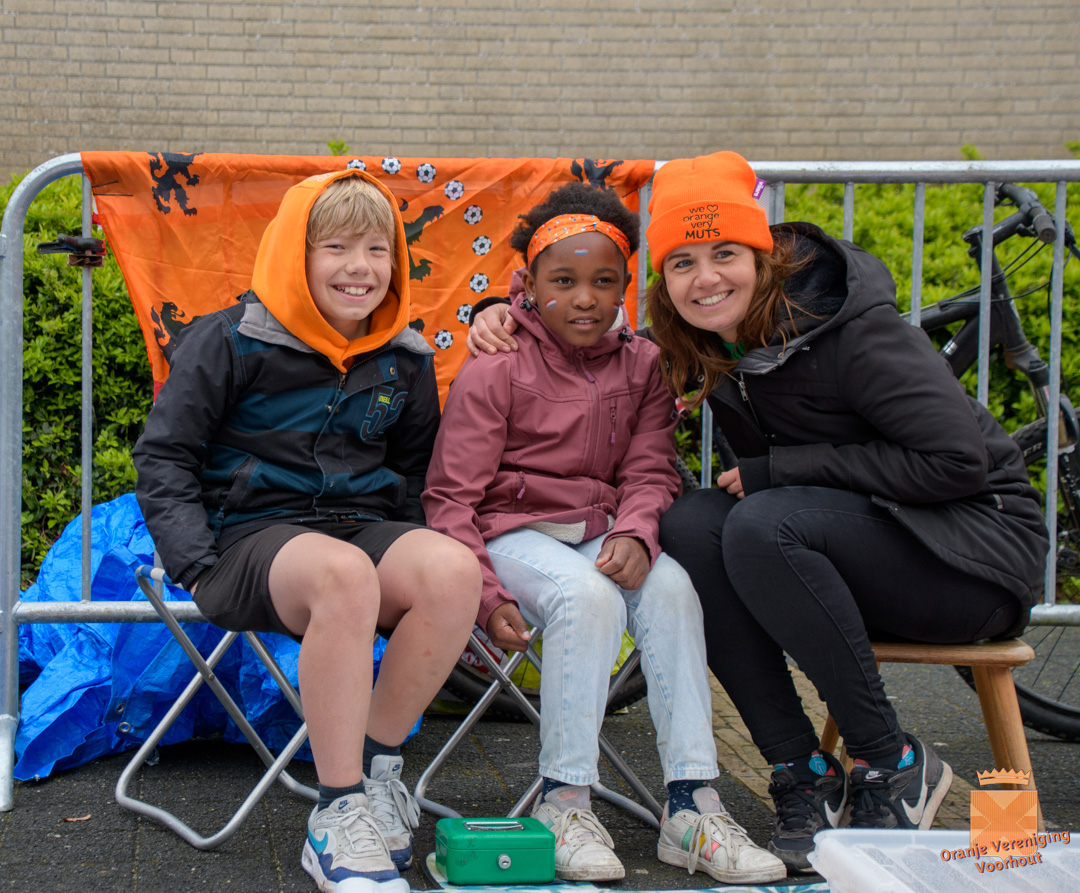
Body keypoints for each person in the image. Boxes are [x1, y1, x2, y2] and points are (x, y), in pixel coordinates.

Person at [467, 152, 1049, 875]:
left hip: (974, 560)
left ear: (762, 253)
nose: (705, 278)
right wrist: (503, 314)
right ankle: (801, 769)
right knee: (688, 526)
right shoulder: (710, 338)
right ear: (663, 281)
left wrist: (788, 470)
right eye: (682, 262)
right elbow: (575, 322)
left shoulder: (854, 332)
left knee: (760, 521)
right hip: (860, 546)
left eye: (724, 255)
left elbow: (957, 463)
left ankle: (891, 758)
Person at [424, 182, 786, 885]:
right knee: (585, 597)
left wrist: (640, 529)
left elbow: (652, 467)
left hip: (598, 530)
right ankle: (563, 800)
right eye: (564, 281)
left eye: (604, 282)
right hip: (508, 533)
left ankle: (691, 804)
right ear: (524, 284)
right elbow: (449, 498)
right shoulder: (495, 366)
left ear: (627, 286)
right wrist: (485, 589)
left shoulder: (643, 364)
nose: (586, 298)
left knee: (675, 586)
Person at [133, 169, 482, 893]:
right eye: (337, 247)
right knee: (341, 574)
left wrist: (411, 550)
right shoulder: (228, 339)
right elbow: (166, 454)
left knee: (452, 569)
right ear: (297, 253)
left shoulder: (404, 357)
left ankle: (378, 764)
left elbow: (415, 473)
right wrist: (193, 560)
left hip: (358, 529)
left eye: (378, 249)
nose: (360, 268)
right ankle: (335, 812)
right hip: (245, 543)